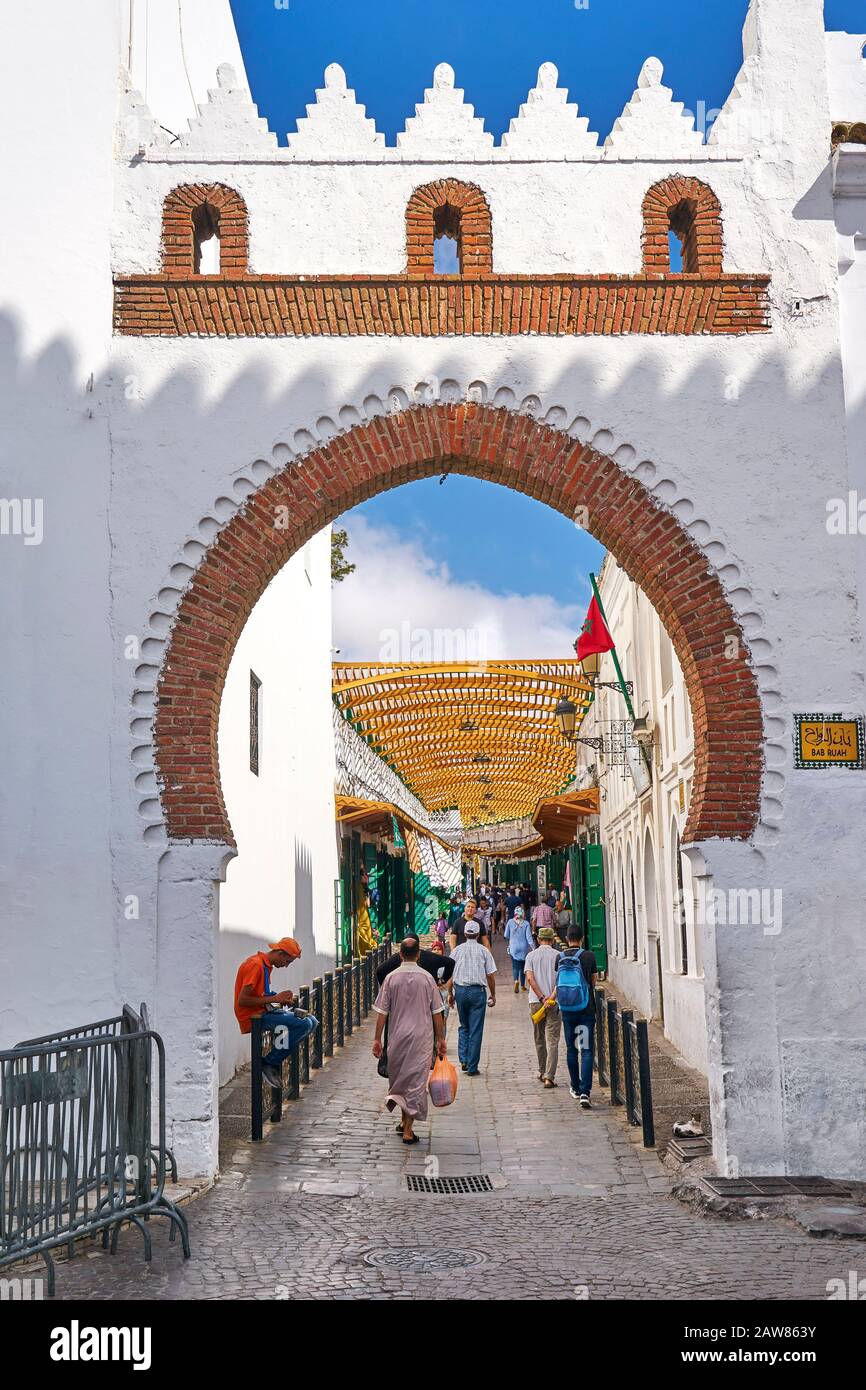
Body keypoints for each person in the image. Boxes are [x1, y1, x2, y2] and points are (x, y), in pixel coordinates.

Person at [372, 937, 447, 1144]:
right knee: (415, 1083)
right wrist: (441, 1039)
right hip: (421, 1037)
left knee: (401, 1080)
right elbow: (437, 1013)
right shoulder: (427, 979)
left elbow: (382, 1013)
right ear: (418, 955)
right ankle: (407, 1130)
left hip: (396, 1037)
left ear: (401, 955)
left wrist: (377, 1039)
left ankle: (405, 1123)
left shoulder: (390, 978)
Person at [233, 936, 318, 1091]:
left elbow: (261, 995)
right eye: (287, 962)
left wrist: (280, 1000)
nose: (285, 966)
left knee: (312, 1021)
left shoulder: (265, 966)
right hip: (254, 1017)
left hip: (264, 1012)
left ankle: (277, 1056)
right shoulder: (255, 965)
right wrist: (276, 998)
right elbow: (243, 1000)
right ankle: (269, 1062)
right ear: (281, 954)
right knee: (304, 1024)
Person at [557, 925, 599, 1109]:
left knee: (571, 1048)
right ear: (581, 938)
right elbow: (593, 982)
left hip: (567, 1011)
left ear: (567, 939)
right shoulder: (588, 956)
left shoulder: (559, 957)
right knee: (587, 1050)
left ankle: (575, 1086)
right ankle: (585, 1092)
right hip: (586, 1010)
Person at [449, 920, 497, 1076]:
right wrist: (493, 994)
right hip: (477, 992)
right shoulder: (484, 951)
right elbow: (490, 975)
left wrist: (450, 993)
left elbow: (450, 975)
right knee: (475, 1029)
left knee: (464, 1026)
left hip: (460, 991)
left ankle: (463, 1059)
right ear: (477, 934)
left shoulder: (456, 951)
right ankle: (472, 1066)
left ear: (464, 934)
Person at [524, 927, 562, 1089]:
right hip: (553, 1002)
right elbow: (561, 980)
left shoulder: (531, 956)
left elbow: (530, 979)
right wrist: (550, 998)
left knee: (539, 1037)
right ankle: (549, 1076)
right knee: (552, 1039)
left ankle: (541, 1070)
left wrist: (541, 997)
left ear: (539, 940)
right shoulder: (559, 956)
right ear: (553, 940)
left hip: (536, 1002)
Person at [504, 904, 535, 993]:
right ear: (523, 914)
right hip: (524, 948)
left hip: (513, 947)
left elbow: (506, 935)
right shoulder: (526, 923)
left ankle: (516, 981)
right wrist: (533, 948)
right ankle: (522, 986)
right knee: (522, 968)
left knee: (515, 966)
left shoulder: (510, 922)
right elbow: (529, 938)